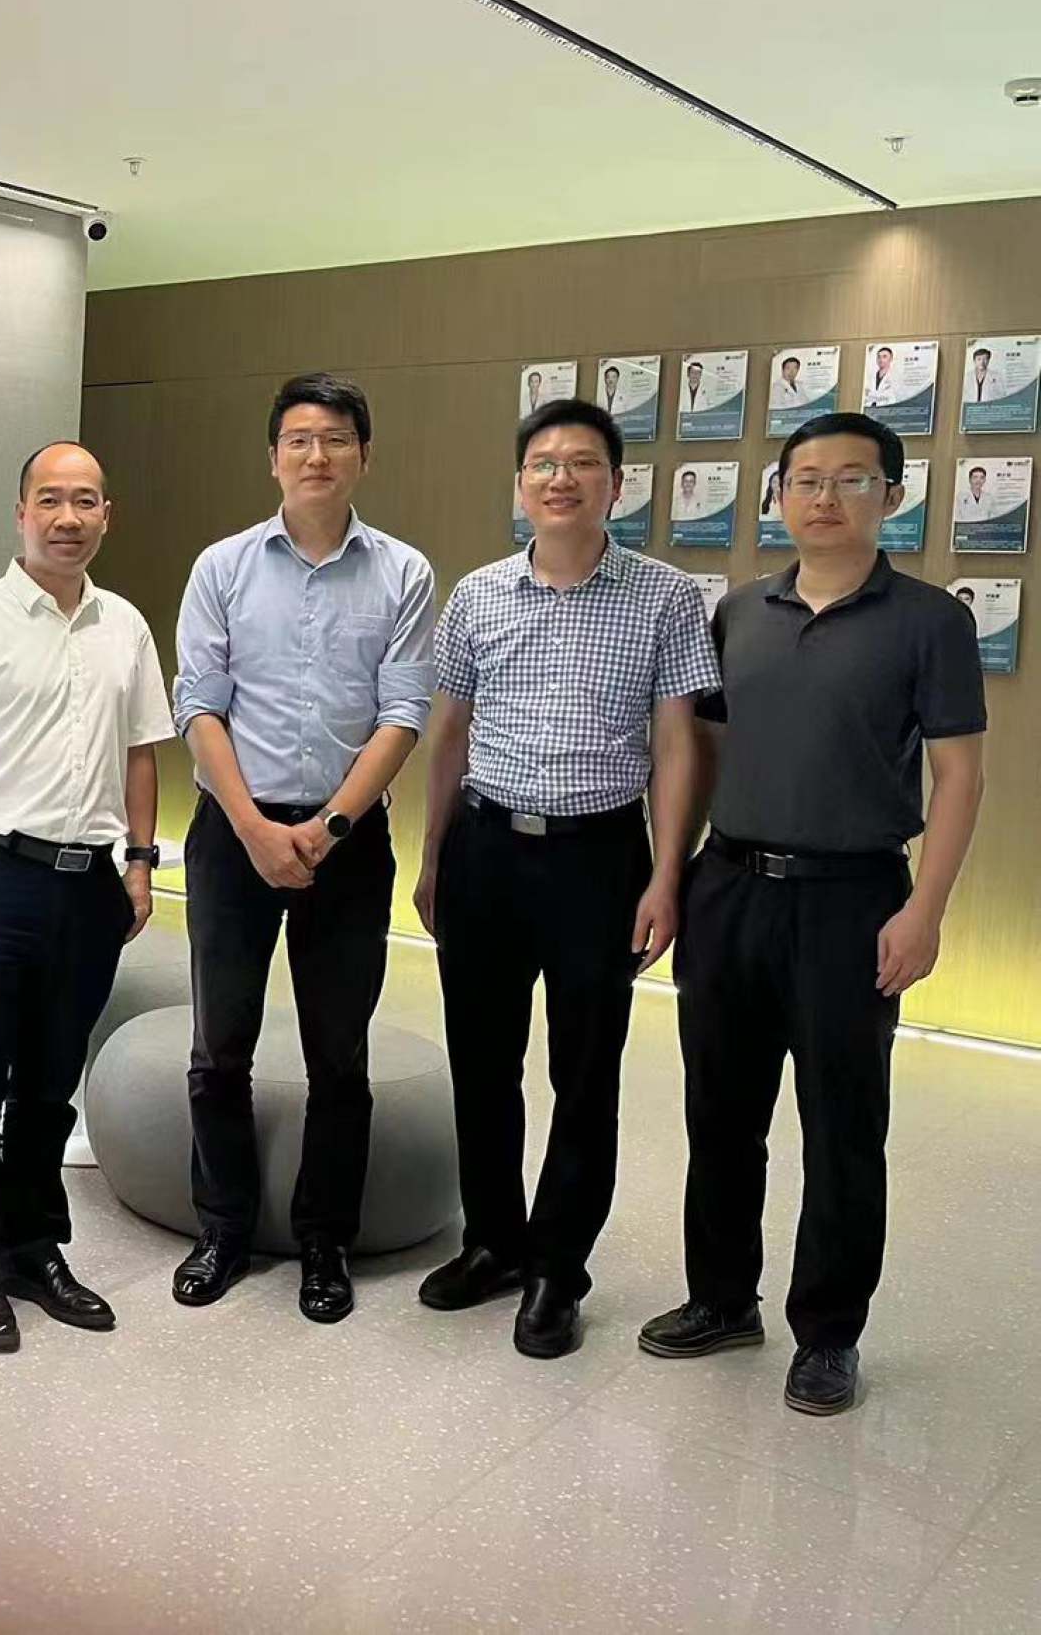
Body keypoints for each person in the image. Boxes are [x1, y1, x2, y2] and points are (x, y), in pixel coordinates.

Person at [640, 413, 986, 1416]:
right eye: (806, 479)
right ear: (779, 494)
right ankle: (721, 1297)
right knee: (720, 1113)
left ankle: (828, 1333)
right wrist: (671, 876)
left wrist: (926, 909)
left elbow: (960, 776)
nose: (825, 497)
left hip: (853, 898)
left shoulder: (931, 620)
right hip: (730, 886)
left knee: (842, 1125)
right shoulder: (738, 611)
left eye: (852, 479)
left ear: (893, 495)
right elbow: (700, 753)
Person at [413, 398, 718, 1358]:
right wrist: (433, 853)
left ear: (616, 485)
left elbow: (678, 744)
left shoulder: (666, 597)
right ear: (520, 484)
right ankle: (493, 1242)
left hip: (599, 858)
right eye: (543, 462)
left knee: (584, 1073)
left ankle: (557, 1270)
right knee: (481, 1060)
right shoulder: (477, 594)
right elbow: (448, 731)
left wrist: (666, 875)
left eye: (583, 462)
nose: (561, 477)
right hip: (486, 848)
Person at [169, 374, 436, 1323]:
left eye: (335, 439)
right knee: (219, 1044)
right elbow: (198, 703)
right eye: (298, 439)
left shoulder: (404, 571)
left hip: (346, 841)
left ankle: (326, 1240)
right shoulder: (223, 566)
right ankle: (223, 1226)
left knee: (339, 1052)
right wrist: (251, 827)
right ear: (273, 456)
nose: (316, 455)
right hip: (232, 831)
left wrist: (327, 829)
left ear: (365, 454)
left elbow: (404, 711)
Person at [0, 442, 173, 1352]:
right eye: (51, 500)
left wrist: (139, 862)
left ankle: (35, 1248)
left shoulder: (125, 626)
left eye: (86, 501)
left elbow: (141, 752)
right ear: (21, 512)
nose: (69, 518)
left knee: (49, 1086)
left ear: (108, 514)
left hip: (89, 884)